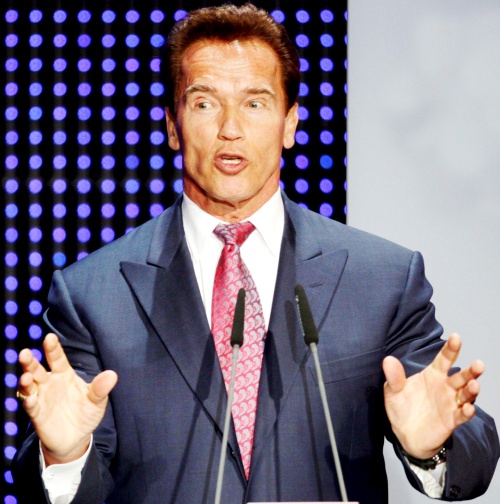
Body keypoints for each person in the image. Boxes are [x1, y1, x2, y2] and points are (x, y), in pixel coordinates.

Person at [13, 4, 499, 503]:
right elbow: (49, 478)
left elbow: (470, 441)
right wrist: (65, 455)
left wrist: (434, 447)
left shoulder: (381, 279)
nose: (230, 128)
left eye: (255, 103)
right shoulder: (93, 293)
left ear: (290, 124)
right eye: (205, 103)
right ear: (173, 126)